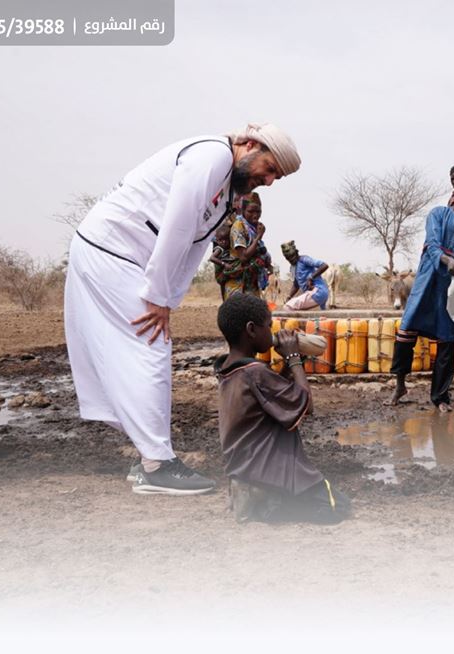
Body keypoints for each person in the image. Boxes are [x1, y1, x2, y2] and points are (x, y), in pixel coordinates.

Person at [65, 122, 301, 495]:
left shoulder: (224, 187)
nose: (269, 181)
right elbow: (175, 225)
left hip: (124, 258)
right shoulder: (212, 155)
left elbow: (193, 245)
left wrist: (169, 300)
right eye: (270, 169)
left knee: (145, 346)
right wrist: (158, 296)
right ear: (251, 145)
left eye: (276, 178)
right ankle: (156, 465)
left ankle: (148, 455)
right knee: (150, 346)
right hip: (112, 251)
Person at [214, 293, 350, 523]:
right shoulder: (255, 372)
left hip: (244, 472)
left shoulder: (229, 369)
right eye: (269, 325)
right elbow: (306, 405)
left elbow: (273, 395)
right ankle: (276, 506)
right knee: (338, 506)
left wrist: (289, 365)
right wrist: (295, 358)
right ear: (251, 330)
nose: (273, 330)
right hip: (268, 472)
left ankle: (260, 501)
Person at [387, 178, 454, 412]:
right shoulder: (438, 214)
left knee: (447, 340)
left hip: (450, 288)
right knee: (405, 333)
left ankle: (441, 397)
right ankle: (400, 385)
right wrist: (447, 259)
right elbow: (432, 245)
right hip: (427, 280)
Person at [225, 192, 273, 298]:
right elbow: (243, 257)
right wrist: (258, 237)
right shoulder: (239, 226)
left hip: (251, 284)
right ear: (243, 211)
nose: (255, 215)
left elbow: (258, 250)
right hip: (238, 285)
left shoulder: (253, 228)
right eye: (251, 211)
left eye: (258, 211)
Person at [281, 240, 330, 310]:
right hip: (314, 294)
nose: (290, 259)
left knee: (287, 307)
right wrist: (289, 297)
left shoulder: (303, 259)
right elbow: (296, 284)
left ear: (296, 253)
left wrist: (311, 277)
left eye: (292, 256)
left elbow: (324, 265)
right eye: (288, 258)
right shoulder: (293, 267)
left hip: (318, 291)